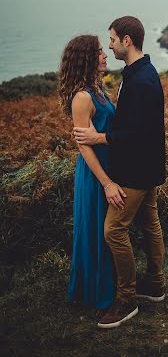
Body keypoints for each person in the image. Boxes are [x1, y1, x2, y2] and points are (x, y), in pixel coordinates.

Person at [73, 15, 166, 329]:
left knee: (113, 230)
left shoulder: (140, 80)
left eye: (111, 40)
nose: (108, 46)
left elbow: (137, 131)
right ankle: (155, 284)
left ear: (127, 40)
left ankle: (126, 299)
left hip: (136, 169)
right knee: (150, 221)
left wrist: (100, 138)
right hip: (147, 165)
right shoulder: (140, 71)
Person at [59, 34, 125, 311]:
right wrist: (107, 183)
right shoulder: (83, 97)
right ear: (86, 58)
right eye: (99, 51)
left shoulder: (97, 88)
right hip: (95, 174)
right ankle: (96, 293)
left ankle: (110, 285)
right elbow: (84, 147)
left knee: (106, 232)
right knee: (97, 231)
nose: (105, 54)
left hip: (108, 167)